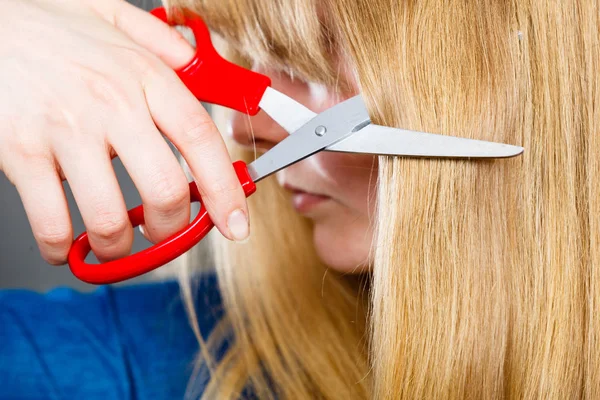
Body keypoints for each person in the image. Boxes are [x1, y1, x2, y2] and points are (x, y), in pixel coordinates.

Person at [1, 0, 598, 399]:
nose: (243, 127)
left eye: (302, 59)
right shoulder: (151, 356)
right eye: (245, 53)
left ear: (520, 75)